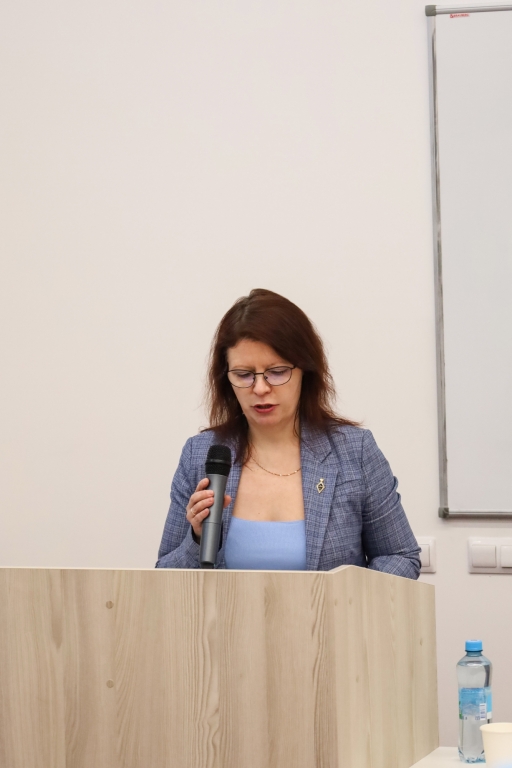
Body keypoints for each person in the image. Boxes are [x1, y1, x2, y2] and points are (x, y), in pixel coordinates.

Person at [156, 289, 421, 578]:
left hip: (329, 611)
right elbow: (162, 578)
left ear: (305, 369)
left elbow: (401, 557)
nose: (260, 388)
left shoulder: (354, 451)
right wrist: (196, 540)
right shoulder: (200, 455)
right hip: (224, 612)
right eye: (244, 375)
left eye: (277, 371)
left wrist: (345, 597)